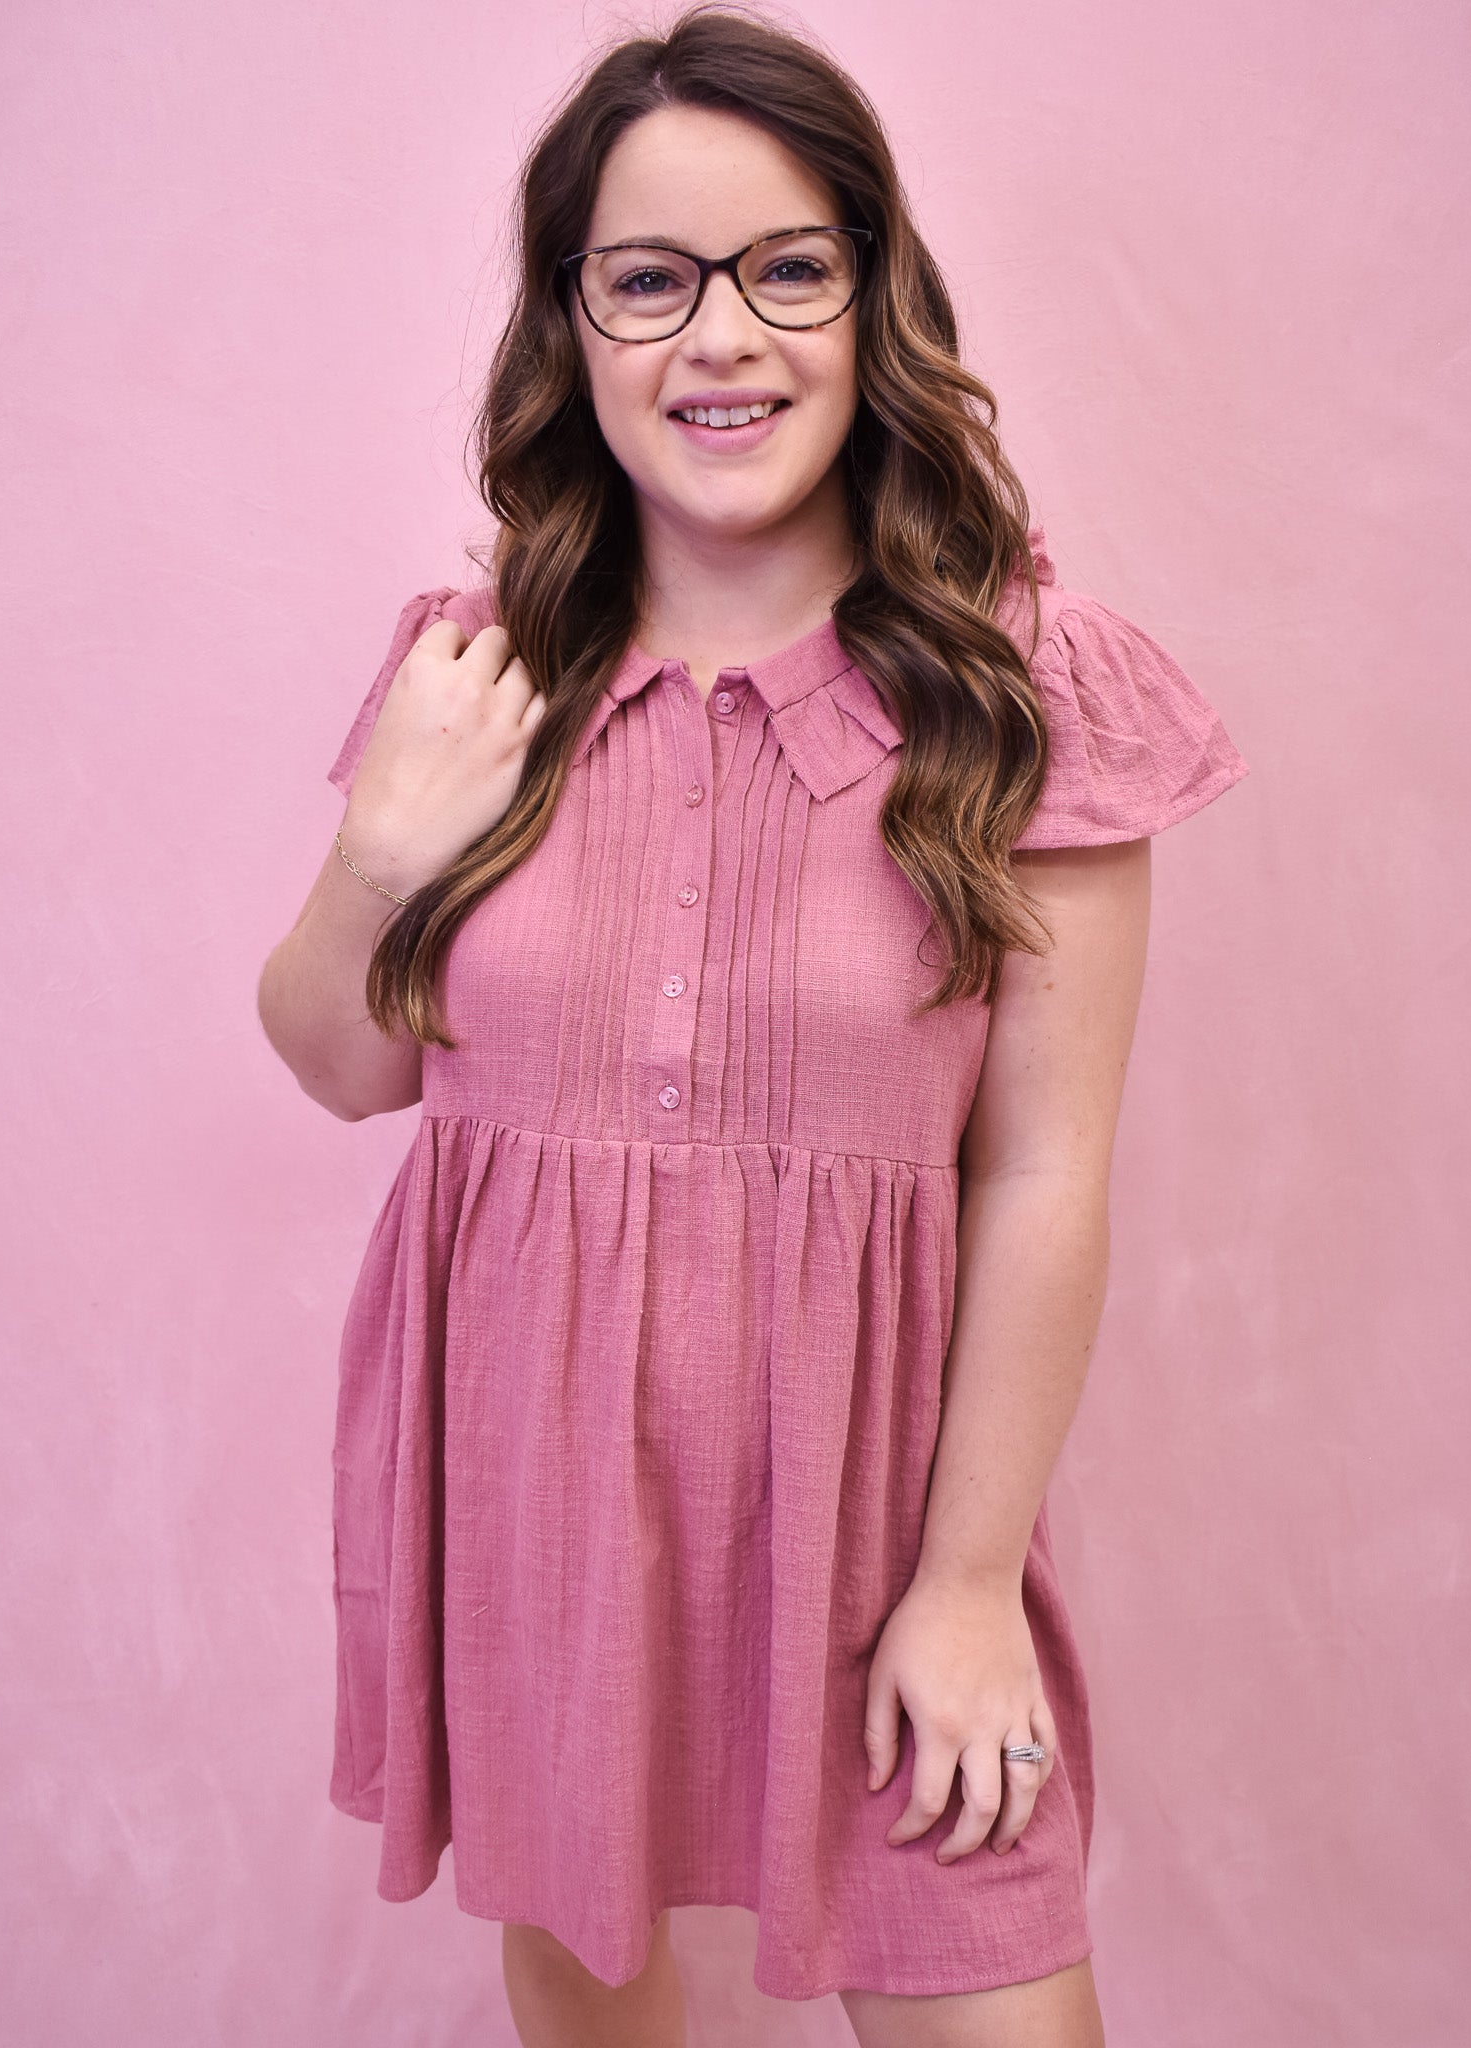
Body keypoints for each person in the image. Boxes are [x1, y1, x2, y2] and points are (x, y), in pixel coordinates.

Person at [258, 8, 1249, 2043]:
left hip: (884, 1531)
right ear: (574, 326)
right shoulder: (478, 674)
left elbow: (1044, 1173)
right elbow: (342, 1061)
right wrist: (378, 851)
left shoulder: (1024, 688)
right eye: (650, 280)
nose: (723, 337)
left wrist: (964, 1585)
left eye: (787, 267)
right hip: (540, 1509)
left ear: (874, 295)